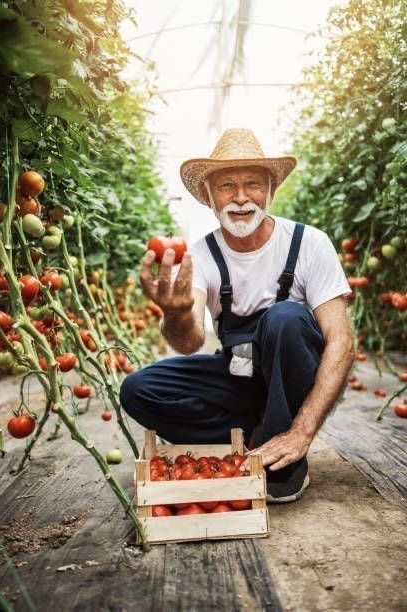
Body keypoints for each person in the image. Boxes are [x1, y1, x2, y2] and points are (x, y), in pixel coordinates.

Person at [120, 128, 354, 503]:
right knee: (139, 389)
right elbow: (190, 341)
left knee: (287, 318)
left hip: (290, 377)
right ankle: (250, 439)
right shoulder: (202, 255)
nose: (241, 197)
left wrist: (303, 431)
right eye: (227, 185)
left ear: (271, 191)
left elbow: (341, 341)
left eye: (252, 184)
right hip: (237, 376)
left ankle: (286, 456)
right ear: (209, 197)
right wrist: (177, 313)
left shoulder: (309, 243)